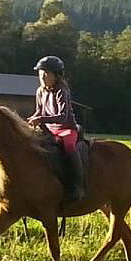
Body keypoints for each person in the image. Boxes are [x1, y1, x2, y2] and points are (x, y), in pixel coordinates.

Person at [27, 55, 83, 203]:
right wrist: (31, 120)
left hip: (66, 128)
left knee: (69, 146)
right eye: (40, 74)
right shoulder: (40, 91)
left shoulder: (62, 91)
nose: (42, 77)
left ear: (57, 76)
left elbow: (62, 117)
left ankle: (76, 185)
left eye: (46, 74)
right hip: (48, 129)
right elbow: (39, 111)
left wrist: (41, 119)